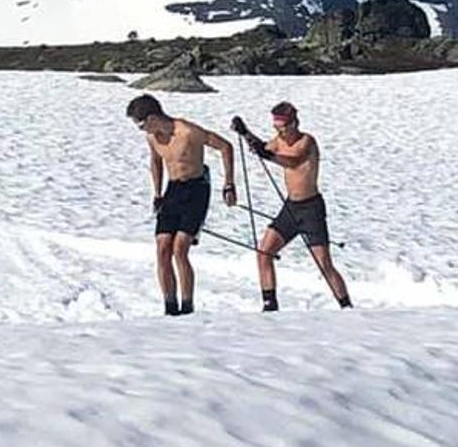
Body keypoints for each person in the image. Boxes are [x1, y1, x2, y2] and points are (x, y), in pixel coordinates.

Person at [234, 102, 352, 312]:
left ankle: (346, 306)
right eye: (276, 127)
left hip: (311, 209)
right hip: (290, 208)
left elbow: (293, 161)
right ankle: (270, 305)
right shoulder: (279, 141)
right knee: (264, 252)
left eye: (284, 127)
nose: (280, 132)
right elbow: (262, 147)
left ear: (294, 123)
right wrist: (245, 133)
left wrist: (266, 153)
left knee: (324, 264)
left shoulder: (307, 141)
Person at [126, 94, 237, 315]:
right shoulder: (153, 138)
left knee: (180, 249)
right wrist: (157, 193)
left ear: (152, 118)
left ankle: (187, 306)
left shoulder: (187, 132)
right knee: (162, 248)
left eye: (141, 125)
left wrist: (229, 184)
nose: (141, 131)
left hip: (196, 189)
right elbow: (156, 161)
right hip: (173, 190)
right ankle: (170, 306)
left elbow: (226, 147)